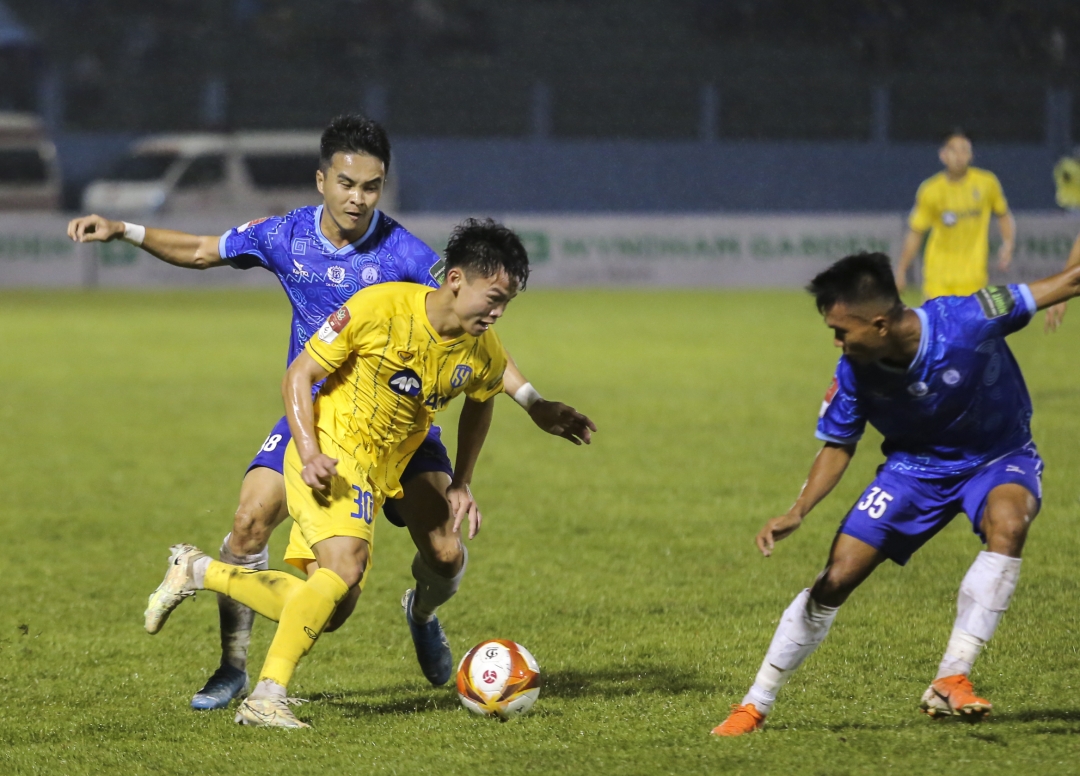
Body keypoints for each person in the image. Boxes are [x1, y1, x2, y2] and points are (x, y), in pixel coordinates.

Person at [67, 115, 595, 711]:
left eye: (371, 186)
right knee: (250, 527)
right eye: (347, 183)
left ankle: (421, 614)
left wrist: (531, 401)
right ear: (322, 180)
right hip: (315, 413)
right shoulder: (285, 235)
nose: (358, 197)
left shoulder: (406, 254)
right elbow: (199, 250)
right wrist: (121, 229)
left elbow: (475, 339)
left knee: (444, 553)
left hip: (402, 423)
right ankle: (232, 669)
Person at [144, 218, 529, 728]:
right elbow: (299, 373)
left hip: (379, 466)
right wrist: (309, 449)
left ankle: (198, 570)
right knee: (343, 565)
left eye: (507, 302)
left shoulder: (482, 347)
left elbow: (483, 397)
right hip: (330, 448)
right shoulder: (380, 306)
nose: (498, 312)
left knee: (331, 606)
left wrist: (462, 481)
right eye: (493, 297)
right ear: (455, 279)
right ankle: (266, 696)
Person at [712, 252, 1080, 736]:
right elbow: (839, 444)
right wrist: (797, 510)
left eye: (842, 331)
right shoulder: (853, 373)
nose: (839, 343)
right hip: (914, 470)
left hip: (998, 457)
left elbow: (1070, 280)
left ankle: (952, 675)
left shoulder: (971, 317)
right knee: (837, 579)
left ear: (881, 324)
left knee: (1008, 525)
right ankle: (754, 705)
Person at [895, 130, 1016, 299]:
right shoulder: (930, 190)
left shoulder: (987, 183)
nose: (959, 156)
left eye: (964, 150)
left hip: (973, 277)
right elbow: (916, 231)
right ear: (943, 155)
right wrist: (901, 269)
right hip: (937, 277)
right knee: (936, 325)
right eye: (953, 150)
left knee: (970, 325)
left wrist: (1008, 244)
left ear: (971, 156)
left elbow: (1003, 215)